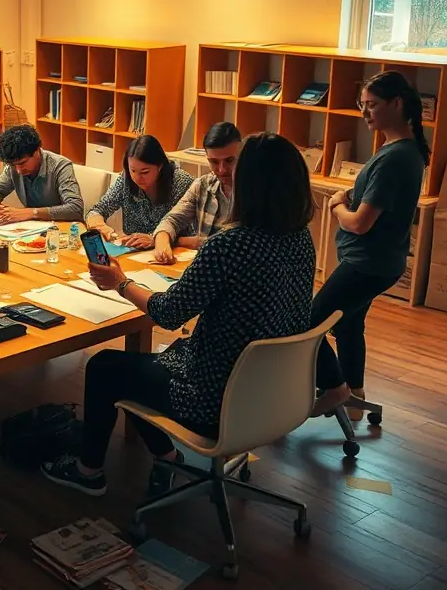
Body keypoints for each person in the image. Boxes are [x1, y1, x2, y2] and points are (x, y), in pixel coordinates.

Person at [41, 133, 315, 497]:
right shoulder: (301, 239)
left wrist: (120, 282)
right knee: (147, 364)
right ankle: (167, 454)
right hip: (271, 392)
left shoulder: (229, 245)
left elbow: (168, 313)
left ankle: (88, 470)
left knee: (106, 366)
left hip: (212, 398)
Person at [310, 71, 430, 418]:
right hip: (382, 263)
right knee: (347, 325)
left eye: (372, 105)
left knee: (309, 322)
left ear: (397, 104)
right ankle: (355, 397)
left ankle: (335, 390)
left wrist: (336, 205)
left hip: (366, 264)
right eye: (362, 105)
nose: (365, 113)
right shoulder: (404, 151)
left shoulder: (395, 157)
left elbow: (360, 223)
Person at [152, 121, 241, 264]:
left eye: (229, 160)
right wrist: (162, 244)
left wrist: (184, 241)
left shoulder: (254, 192)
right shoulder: (203, 185)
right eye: (214, 162)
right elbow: (172, 219)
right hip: (202, 269)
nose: (222, 169)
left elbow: (233, 247)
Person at [86, 135, 195, 248]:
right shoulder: (127, 179)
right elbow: (96, 211)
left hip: (175, 253)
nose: (137, 178)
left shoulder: (181, 183)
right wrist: (108, 232)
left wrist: (156, 239)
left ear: (160, 166)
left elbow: (197, 238)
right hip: (135, 252)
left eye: (144, 172)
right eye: (133, 170)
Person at [0, 124, 84, 224]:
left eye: (22, 163)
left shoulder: (60, 166)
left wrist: (32, 213)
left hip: (63, 229)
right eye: (13, 165)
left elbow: (76, 208)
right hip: (34, 228)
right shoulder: (13, 167)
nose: (18, 170)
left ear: (36, 152)